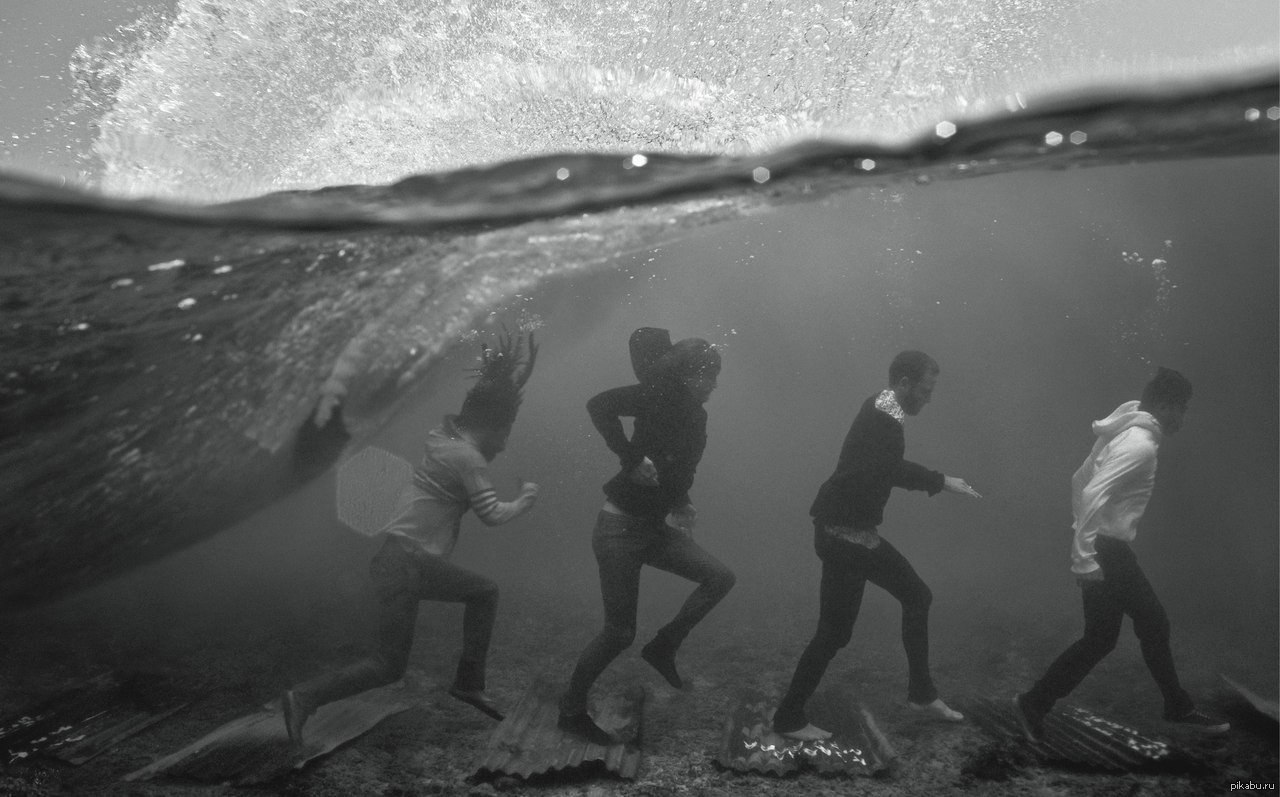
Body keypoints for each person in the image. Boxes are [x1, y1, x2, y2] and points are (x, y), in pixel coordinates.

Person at [281, 331, 540, 745]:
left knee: (477, 598)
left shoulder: (445, 437)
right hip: (407, 565)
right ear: (490, 424)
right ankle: (304, 697)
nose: (506, 440)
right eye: (505, 429)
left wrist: (499, 386)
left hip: (403, 561)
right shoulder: (468, 458)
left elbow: (469, 435)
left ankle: (468, 683)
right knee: (389, 663)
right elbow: (491, 514)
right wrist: (526, 498)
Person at [772, 350, 982, 741]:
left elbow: (879, 467)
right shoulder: (884, 413)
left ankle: (919, 693)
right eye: (925, 388)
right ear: (904, 384)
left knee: (839, 631)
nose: (929, 398)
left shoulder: (883, 408)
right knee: (914, 598)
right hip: (845, 536)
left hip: (843, 531)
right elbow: (888, 468)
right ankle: (791, 717)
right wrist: (941, 480)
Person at [1013, 368, 1229, 740]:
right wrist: (1084, 556)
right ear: (1163, 406)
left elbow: (1079, 479)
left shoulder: (1126, 430)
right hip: (1108, 551)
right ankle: (1178, 707)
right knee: (1154, 623)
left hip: (1103, 547)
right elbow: (1093, 490)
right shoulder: (1139, 444)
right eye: (1182, 408)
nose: (1183, 417)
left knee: (1100, 639)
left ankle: (1034, 702)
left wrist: (1083, 537)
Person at [557, 329, 736, 745]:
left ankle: (664, 647)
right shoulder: (658, 394)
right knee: (619, 633)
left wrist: (681, 501)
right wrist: (630, 456)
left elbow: (674, 464)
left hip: (654, 530)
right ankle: (570, 710)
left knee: (720, 577)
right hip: (619, 529)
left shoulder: (695, 414)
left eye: (715, 376)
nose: (713, 384)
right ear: (686, 375)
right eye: (707, 376)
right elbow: (598, 404)